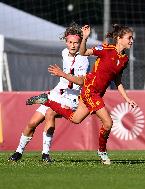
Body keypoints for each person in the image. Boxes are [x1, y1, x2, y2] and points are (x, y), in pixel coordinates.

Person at [26, 24, 138, 165]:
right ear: (119, 38)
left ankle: (47, 100)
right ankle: (102, 152)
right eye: (129, 38)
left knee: (76, 119)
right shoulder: (105, 49)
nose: (131, 41)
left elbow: (118, 81)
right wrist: (84, 38)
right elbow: (84, 52)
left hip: (98, 93)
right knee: (108, 123)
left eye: (132, 38)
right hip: (90, 91)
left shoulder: (124, 59)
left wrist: (127, 98)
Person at [8, 23, 89, 162]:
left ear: (80, 42)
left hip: (72, 98)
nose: (73, 45)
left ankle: (45, 154)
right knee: (32, 123)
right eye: (70, 42)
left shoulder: (84, 59)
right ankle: (18, 152)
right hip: (57, 93)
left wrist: (62, 74)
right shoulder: (64, 52)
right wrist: (61, 76)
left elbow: (81, 82)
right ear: (66, 41)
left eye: (76, 42)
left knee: (50, 113)